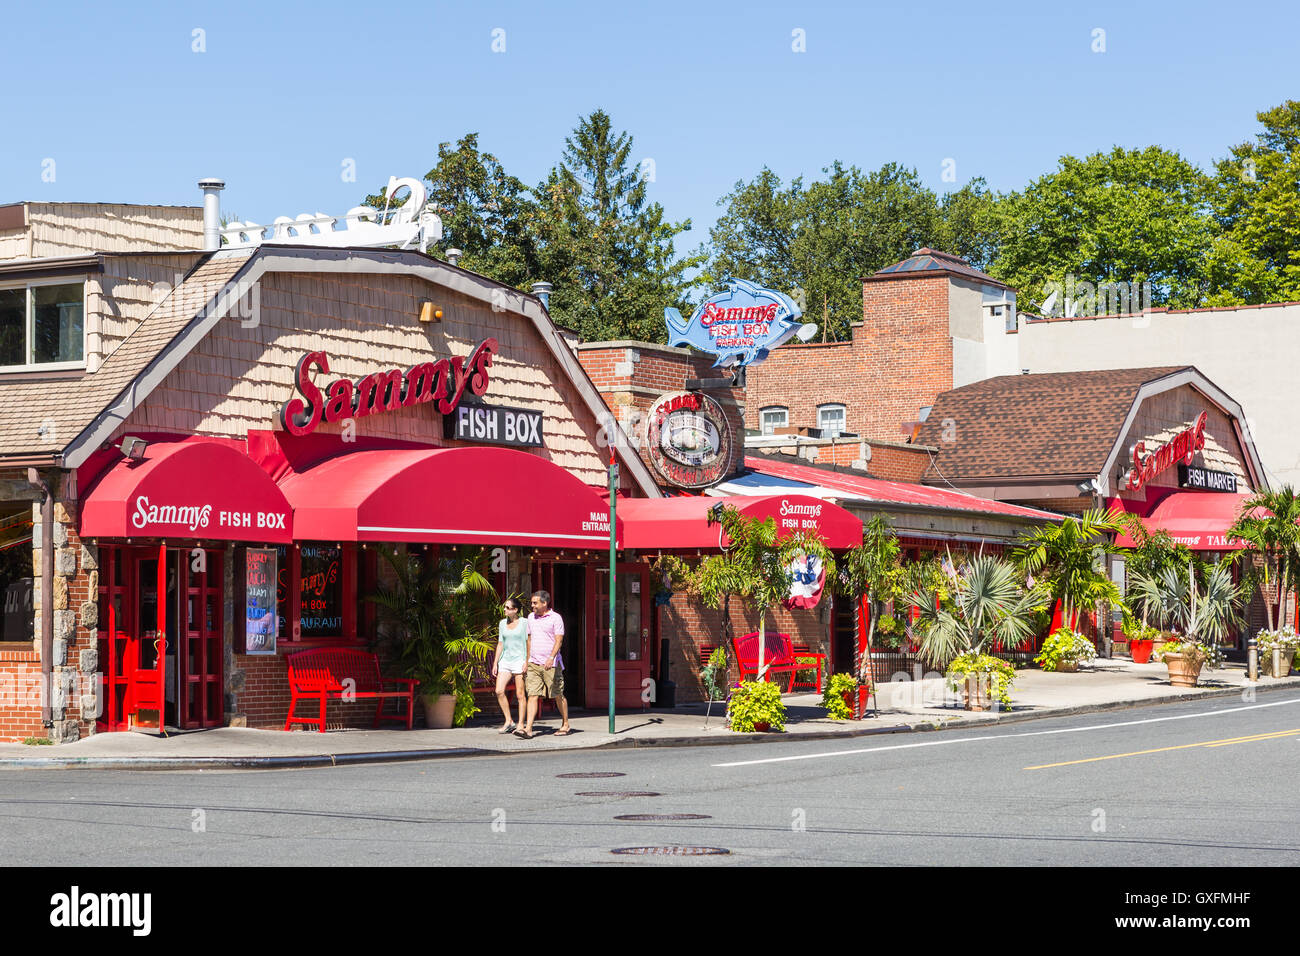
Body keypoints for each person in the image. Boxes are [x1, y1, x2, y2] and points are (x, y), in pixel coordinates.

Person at [517, 589, 571, 738]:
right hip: (534, 663)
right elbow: (529, 640)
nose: (532, 606)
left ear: (545, 603)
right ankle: (528, 729)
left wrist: (551, 657)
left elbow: (559, 640)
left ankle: (565, 724)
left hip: (551, 664)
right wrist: (527, 660)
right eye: (532, 603)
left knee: (557, 695)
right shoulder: (530, 618)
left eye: (535, 603)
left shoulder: (556, 618)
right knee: (533, 695)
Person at [492, 598, 529, 734]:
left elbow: (528, 641)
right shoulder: (502, 623)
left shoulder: (525, 623)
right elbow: (500, 643)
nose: (505, 610)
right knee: (499, 691)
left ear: (515, 610)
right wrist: (495, 662)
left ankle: (520, 724)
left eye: (508, 608)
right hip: (505, 661)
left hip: (520, 660)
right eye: (505, 607)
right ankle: (509, 721)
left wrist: (527, 660)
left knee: (520, 695)